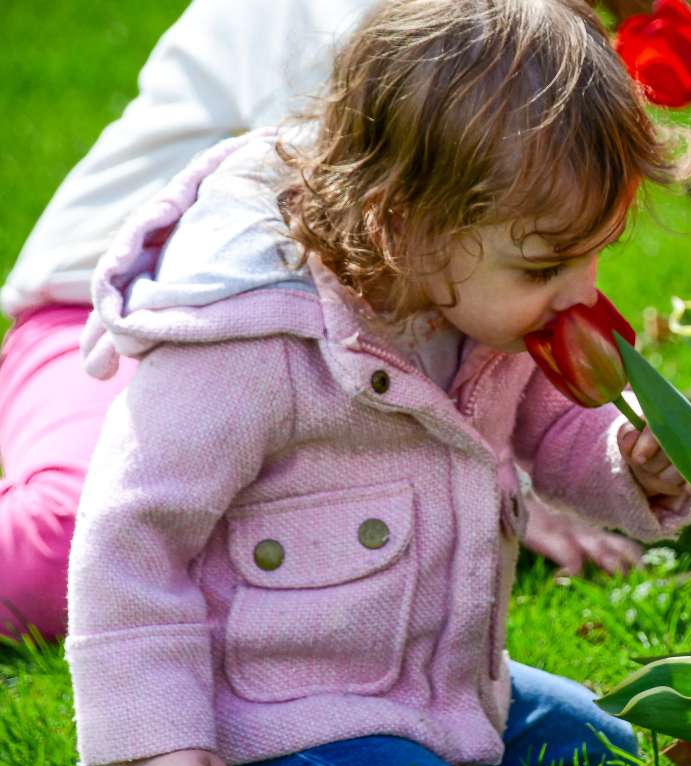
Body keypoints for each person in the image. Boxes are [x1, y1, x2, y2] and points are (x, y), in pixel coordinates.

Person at [64, 1, 691, 766]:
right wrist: (158, 740)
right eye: (545, 266)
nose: (582, 293)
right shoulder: (252, 340)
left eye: (594, 254)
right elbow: (132, 533)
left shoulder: (483, 311)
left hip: (447, 694)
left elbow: (561, 429)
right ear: (400, 225)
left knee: (617, 756)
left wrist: (630, 464)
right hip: (268, 721)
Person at [0, 0, 645, 642]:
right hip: (116, 313)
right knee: (73, 541)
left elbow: (493, 251)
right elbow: (346, 205)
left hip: (386, 324)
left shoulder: (527, 41)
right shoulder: (399, 34)